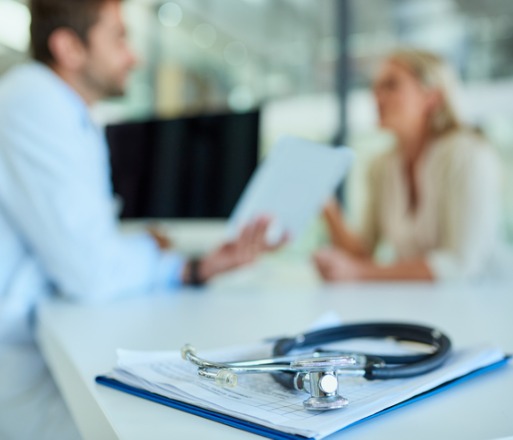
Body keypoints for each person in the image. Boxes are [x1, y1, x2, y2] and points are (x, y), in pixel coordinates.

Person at [0, 0, 284, 438]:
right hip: (16, 369)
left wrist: (187, 265)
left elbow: (87, 246)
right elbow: (90, 271)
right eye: (118, 37)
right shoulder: (35, 101)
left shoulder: (62, 109)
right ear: (68, 47)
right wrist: (180, 263)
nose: (135, 57)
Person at [314, 48, 502, 282]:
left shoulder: (467, 154)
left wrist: (360, 273)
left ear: (432, 97)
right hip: (419, 305)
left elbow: (460, 263)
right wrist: (326, 206)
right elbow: (363, 253)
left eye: (391, 85)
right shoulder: (381, 166)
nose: (376, 96)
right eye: (375, 87)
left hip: (483, 305)